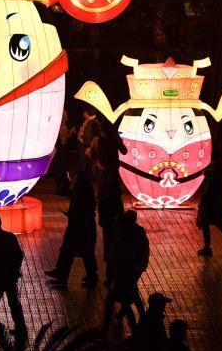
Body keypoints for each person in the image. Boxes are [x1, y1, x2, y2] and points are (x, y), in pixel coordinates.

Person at [46, 171, 98, 288]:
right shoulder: (82, 195)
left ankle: (62, 278)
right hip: (82, 230)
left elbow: (80, 215)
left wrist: (70, 214)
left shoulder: (81, 198)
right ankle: (89, 277)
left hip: (79, 231)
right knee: (82, 254)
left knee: (71, 253)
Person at [102, 210, 149, 333]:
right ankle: (138, 323)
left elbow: (115, 261)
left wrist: (111, 277)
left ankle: (108, 328)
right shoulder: (131, 237)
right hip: (127, 276)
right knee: (127, 300)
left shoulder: (122, 242)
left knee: (119, 303)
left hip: (122, 277)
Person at [94, 126, 127, 281]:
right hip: (111, 176)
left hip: (105, 176)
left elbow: (96, 157)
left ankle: (109, 269)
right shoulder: (113, 141)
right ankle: (115, 267)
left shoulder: (100, 141)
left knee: (108, 234)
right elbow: (125, 151)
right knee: (115, 234)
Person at [196, 161, 222, 256]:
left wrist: (201, 204)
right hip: (219, 204)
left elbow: (208, 193)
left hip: (210, 205)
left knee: (206, 224)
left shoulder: (214, 177)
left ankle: (207, 247)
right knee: (219, 224)